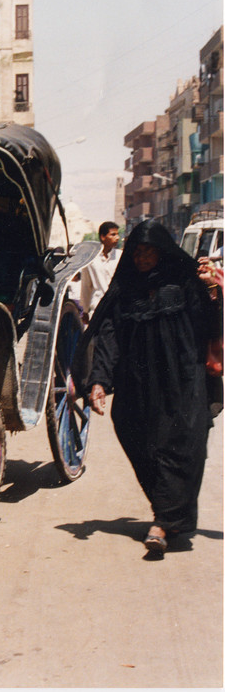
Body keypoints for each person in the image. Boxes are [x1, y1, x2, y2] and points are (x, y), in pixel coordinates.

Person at [86, 220, 221, 558]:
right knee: (134, 433)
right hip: (138, 381)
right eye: (137, 252)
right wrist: (99, 380)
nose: (142, 258)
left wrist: (213, 292)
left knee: (180, 444)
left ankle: (162, 522)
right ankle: (171, 512)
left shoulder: (185, 282)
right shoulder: (125, 289)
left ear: (161, 252)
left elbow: (210, 325)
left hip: (182, 380)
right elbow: (109, 336)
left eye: (149, 252)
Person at [79, 221, 121, 322]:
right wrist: (85, 310)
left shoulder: (120, 256)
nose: (117, 237)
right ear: (103, 237)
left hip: (117, 309)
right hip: (97, 309)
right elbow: (86, 285)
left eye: (117, 234)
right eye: (113, 234)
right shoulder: (91, 259)